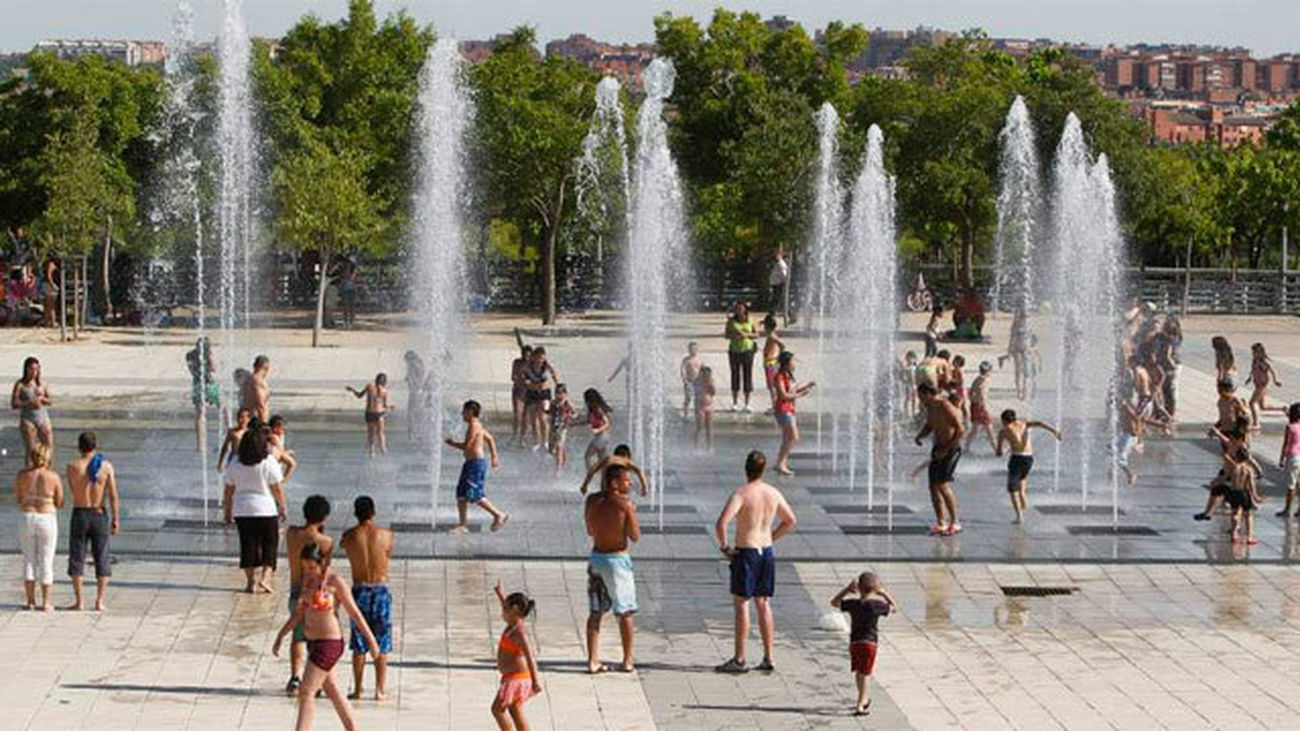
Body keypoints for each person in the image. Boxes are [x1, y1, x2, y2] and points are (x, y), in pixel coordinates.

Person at [273, 544, 379, 731]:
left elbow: (354, 612)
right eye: (305, 567)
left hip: (329, 643)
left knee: (306, 691)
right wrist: (281, 635)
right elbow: (298, 615)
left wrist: (371, 640)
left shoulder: (335, 581)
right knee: (332, 689)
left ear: (321, 563)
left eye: (312, 567)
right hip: (313, 643)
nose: (308, 571)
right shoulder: (308, 582)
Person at [714, 450, 797, 674]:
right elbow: (790, 520)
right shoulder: (773, 493)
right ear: (763, 470)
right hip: (766, 551)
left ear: (746, 469)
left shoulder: (741, 494)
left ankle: (740, 658)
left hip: (746, 552)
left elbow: (721, 523)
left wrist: (725, 547)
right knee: (763, 603)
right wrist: (772, 536)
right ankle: (768, 656)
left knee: (742, 604)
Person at [584, 464, 641, 674]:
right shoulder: (625, 505)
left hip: (597, 559)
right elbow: (635, 536)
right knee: (625, 612)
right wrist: (631, 512)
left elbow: (590, 530)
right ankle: (627, 660)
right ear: (614, 483)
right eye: (626, 480)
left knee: (595, 612)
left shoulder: (592, 501)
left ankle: (593, 660)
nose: (630, 484)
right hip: (617, 561)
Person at [341, 495, 394, 701]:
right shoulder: (386, 535)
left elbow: (343, 546)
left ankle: (358, 689)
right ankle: (380, 689)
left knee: (359, 641)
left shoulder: (349, 536)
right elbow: (388, 553)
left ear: (355, 513)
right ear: (373, 512)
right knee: (382, 640)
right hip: (380, 590)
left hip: (360, 590)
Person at [223, 427, 287, 593]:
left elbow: (228, 490)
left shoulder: (235, 463)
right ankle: (265, 578)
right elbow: (277, 488)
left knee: (248, 546)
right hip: (266, 509)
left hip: (243, 510)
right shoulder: (269, 462)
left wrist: (227, 511)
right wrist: (282, 506)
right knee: (270, 544)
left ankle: (251, 582)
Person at [283, 495, 334, 695]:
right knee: (316, 637)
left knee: (297, 636)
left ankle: (295, 677)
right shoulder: (326, 541)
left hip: (296, 589)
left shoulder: (292, 534)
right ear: (324, 517)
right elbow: (324, 569)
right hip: (315, 592)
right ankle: (316, 680)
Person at [65, 432, 118, 611]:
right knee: (102, 556)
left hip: (80, 512)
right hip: (98, 513)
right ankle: (99, 601)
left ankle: (79, 601)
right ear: (95, 446)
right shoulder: (106, 466)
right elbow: (113, 495)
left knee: (77, 557)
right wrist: (115, 519)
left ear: (79, 447)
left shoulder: (72, 466)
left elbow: (73, 490)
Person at [830, 571, 896, 716]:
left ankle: (863, 698)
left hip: (855, 643)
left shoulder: (853, 604)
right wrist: (884, 593)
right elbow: (893, 607)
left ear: (858, 588)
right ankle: (860, 704)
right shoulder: (877, 605)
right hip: (870, 643)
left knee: (859, 672)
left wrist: (847, 590)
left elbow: (834, 602)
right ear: (876, 588)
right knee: (866, 673)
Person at [445, 400, 507, 533]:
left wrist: (452, 443)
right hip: (470, 464)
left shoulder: (474, 426)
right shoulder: (477, 425)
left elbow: (467, 446)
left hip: (475, 464)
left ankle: (498, 515)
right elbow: (490, 439)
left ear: (471, 412)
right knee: (461, 494)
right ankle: (463, 525)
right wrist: (494, 457)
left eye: (464, 411)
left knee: (474, 494)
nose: (462, 414)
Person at [15, 443, 63, 611]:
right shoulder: (53, 477)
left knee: (28, 559)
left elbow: (18, 498)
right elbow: (60, 501)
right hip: (46, 516)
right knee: (46, 560)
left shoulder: (22, 475)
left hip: (27, 515)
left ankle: (30, 601)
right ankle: (46, 602)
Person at [914, 382, 965, 536]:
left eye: (921, 396)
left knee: (942, 484)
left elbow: (960, 429)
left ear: (928, 394)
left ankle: (955, 522)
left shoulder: (945, 405)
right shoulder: (930, 407)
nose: (919, 399)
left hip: (951, 449)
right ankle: (941, 522)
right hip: (938, 449)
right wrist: (920, 435)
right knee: (933, 486)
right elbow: (930, 425)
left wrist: (946, 449)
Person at [491, 581, 542, 730]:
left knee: (497, 709)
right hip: (512, 677)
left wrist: (536, 681)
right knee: (515, 709)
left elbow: (530, 657)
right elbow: (506, 606)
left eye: (505, 609)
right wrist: (500, 594)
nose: (502, 612)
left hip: (517, 678)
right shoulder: (512, 624)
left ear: (514, 610)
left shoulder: (519, 633)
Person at [995, 411, 1061, 524]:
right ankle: (1024, 507)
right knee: (1022, 482)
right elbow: (1039, 423)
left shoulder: (1003, 431)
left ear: (1004, 420)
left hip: (1016, 459)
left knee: (1012, 489)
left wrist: (1006, 449)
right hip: (1029, 458)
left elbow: (999, 452)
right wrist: (1054, 431)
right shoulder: (1023, 423)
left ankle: (1019, 516)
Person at [772, 350, 816, 476]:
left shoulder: (788, 375)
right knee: (793, 437)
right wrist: (801, 395)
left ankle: (781, 463)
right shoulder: (779, 377)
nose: (794, 363)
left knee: (788, 438)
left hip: (789, 409)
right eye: (792, 361)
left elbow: (793, 389)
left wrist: (807, 385)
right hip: (783, 410)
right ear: (786, 363)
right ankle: (781, 463)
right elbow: (783, 395)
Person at [12, 356, 53, 461]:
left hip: (42, 416)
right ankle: (29, 470)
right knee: (31, 449)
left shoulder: (43, 384)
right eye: (31, 369)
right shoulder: (20, 385)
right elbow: (14, 404)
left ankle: (48, 469)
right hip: (28, 418)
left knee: (48, 447)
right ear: (26, 369)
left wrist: (42, 398)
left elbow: (50, 401)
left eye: (36, 369)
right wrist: (29, 402)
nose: (34, 372)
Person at [186, 337, 223, 450]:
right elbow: (213, 369)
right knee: (224, 407)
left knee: (199, 414)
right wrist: (210, 357)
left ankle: (200, 445)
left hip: (197, 385)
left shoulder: (189, 355)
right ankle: (228, 432)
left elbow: (192, 369)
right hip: (209, 385)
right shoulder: (207, 355)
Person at [347, 373, 395, 458]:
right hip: (379, 413)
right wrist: (391, 407)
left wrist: (352, 390)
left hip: (369, 413)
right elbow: (384, 406)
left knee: (371, 434)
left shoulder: (369, 386)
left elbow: (359, 395)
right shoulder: (384, 391)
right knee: (381, 433)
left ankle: (372, 452)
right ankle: (383, 449)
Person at [724, 302, 758, 412]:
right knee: (735, 375)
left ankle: (747, 403)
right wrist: (735, 336)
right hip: (734, 351)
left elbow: (756, 334)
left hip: (748, 351)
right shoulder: (731, 321)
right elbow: (726, 335)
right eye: (737, 309)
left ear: (745, 310)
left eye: (741, 308)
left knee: (747, 375)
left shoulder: (750, 320)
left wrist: (746, 335)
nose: (739, 310)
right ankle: (735, 402)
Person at [521, 347, 558, 450]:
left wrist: (554, 386)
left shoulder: (547, 367)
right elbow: (525, 382)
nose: (540, 361)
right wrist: (536, 385)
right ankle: (537, 441)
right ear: (533, 357)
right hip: (532, 393)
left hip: (544, 394)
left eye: (542, 358)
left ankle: (545, 441)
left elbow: (554, 378)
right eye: (538, 358)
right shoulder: (527, 368)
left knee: (543, 417)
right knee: (534, 419)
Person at [580, 444, 649, 497]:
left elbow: (592, 471)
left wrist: (585, 485)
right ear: (627, 455)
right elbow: (639, 471)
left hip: (606, 485)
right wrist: (644, 487)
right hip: (618, 484)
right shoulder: (625, 460)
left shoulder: (608, 459)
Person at [1245, 343, 1283, 428]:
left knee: (1252, 403)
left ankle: (1256, 423)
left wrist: (1276, 380)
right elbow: (1253, 370)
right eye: (1252, 352)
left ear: (1260, 352)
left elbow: (1272, 371)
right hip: (1257, 385)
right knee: (1263, 407)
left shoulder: (1264, 362)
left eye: (1254, 352)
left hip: (1263, 385)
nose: (1253, 354)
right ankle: (1283, 408)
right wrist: (1249, 378)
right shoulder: (1254, 360)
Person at [965, 362, 996, 452]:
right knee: (989, 429)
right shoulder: (984, 380)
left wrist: (973, 402)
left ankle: (966, 447)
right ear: (988, 371)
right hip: (981, 407)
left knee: (974, 429)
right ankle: (996, 449)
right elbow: (982, 393)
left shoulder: (977, 379)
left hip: (975, 406)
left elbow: (970, 393)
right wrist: (985, 407)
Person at [1276, 403, 1300, 518]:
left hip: (1292, 457)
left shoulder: (1290, 427)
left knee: (1291, 485)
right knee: (1299, 484)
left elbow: (1286, 444)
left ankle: (1287, 509)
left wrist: (1282, 459)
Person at [582, 388, 613, 469]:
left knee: (588, 456)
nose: (585, 402)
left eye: (586, 399)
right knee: (603, 461)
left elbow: (607, 423)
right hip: (601, 437)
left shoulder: (598, 409)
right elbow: (588, 422)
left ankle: (591, 474)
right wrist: (574, 424)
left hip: (602, 436)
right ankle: (605, 475)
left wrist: (598, 430)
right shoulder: (592, 410)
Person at [760, 313, 786, 410]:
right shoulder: (770, 335)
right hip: (769, 362)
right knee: (771, 385)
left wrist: (779, 357)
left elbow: (782, 345)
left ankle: (775, 405)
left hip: (770, 363)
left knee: (771, 385)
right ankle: (775, 404)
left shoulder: (771, 336)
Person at [510, 339, 533, 446]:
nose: (526, 358)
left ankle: (522, 438)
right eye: (524, 355)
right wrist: (520, 379)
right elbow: (513, 377)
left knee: (526, 417)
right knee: (517, 414)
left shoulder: (533, 365)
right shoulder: (517, 363)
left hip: (529, 392)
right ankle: (514, 435)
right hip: (518, 390)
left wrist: (528, 381)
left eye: (528, 356)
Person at [549, 384, 576, 474]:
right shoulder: (553, 403)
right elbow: (551, 413)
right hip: (553, 427)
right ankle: (562, 460)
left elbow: (575, 413)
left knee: (559, 447)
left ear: (565, 394)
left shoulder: (567, 403)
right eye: (556, 393)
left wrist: (571, 416)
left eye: (560, 393)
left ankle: (559, 469)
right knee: (552, 449)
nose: (558, 395)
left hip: (562, 428)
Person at [403, 350, 428, 440]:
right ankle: (415, 433)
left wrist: (412, 382)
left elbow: (417, 379)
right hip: (416, 392)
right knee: (415, 413)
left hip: (416, 392)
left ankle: (415, 433)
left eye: (406, 360)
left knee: (413, 413)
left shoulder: (414, 365)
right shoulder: (418, 365)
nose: (406, 362)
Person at [218, 407, 252, 472]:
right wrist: (220, 462)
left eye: (243, 417)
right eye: (239, 417)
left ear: (248, 419)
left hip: (246, 459)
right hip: (234, 459)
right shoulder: (232, 432)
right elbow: (225, 447)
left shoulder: (251, 433)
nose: (240, 420)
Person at [268, 414, 298, 483]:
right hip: (273, 464)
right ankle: (282, 482)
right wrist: (288, 452)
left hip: (277, 464)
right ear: (274, 428)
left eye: (283, 425)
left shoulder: (281, 435)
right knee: (292, 464)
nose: (283, 427)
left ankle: (281, 482)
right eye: (280, 425)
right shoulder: (274, 437)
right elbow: (280, 453)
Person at [242, 355, 272, 423]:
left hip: (250, 419)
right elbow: (260, 405)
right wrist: (263, 424)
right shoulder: (257, 381)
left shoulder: (249, 380)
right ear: (266, 367)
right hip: (256, 422)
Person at [679, 341, 703, 420]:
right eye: (692, 349)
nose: (693, 351)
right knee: (688, 398)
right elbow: (682, 370)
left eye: (695, 349)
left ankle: (697, 413)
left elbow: (703, 369)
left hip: (698, 381)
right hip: (689, 381)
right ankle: (686, 413)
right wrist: (684, 379)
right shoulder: (686, 360)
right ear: (688, 350)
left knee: (698, 399)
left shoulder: (699, 359)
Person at [695, 365, 717, 451]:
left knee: (709, 428)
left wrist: (711, 386)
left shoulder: (711, 381)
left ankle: (710, 446)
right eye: (705, 375)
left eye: (708, 375)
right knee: (700, 428)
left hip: (709, 406)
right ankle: (697, 447)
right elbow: (696, 394)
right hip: (700, 406)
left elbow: (713, 393)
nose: (706, 377)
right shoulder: (698, 382)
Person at [768, 249, 789, 317]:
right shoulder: (777, 263)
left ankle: (773, 313)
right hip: (775, 284)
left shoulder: (781, 264)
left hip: (779, 284)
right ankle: (773, 313)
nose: (775, 256)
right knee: (777, 300)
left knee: (776, 300)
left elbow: (784, 274)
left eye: (777, 255)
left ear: (780, 255)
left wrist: (784, 282)